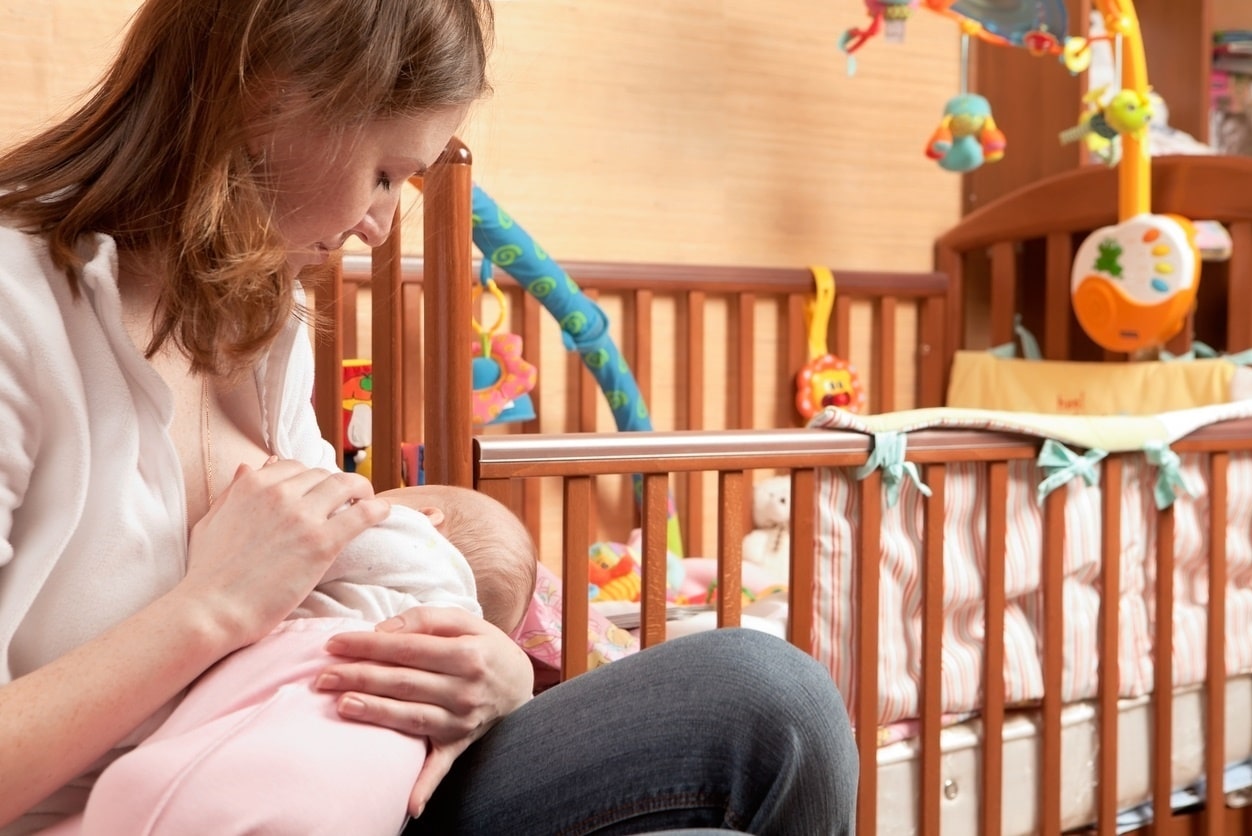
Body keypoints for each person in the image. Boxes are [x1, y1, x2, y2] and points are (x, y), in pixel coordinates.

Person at [0, 1, 858, 834]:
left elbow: (337, 575)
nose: (380, 228)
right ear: (270, 93)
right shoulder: (18, 307)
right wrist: (209, 609)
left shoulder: (262, 321)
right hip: (168, 803)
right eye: (382, 174)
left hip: (338, 762)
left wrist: (492, 676)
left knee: (769, 694)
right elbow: (250, 590)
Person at [77, 484, 537, 835]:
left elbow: (306, 539)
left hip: (308, 688)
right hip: (372, 779)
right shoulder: (457, 623)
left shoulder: (412, 540)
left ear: (426, 518)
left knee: (167, 796)